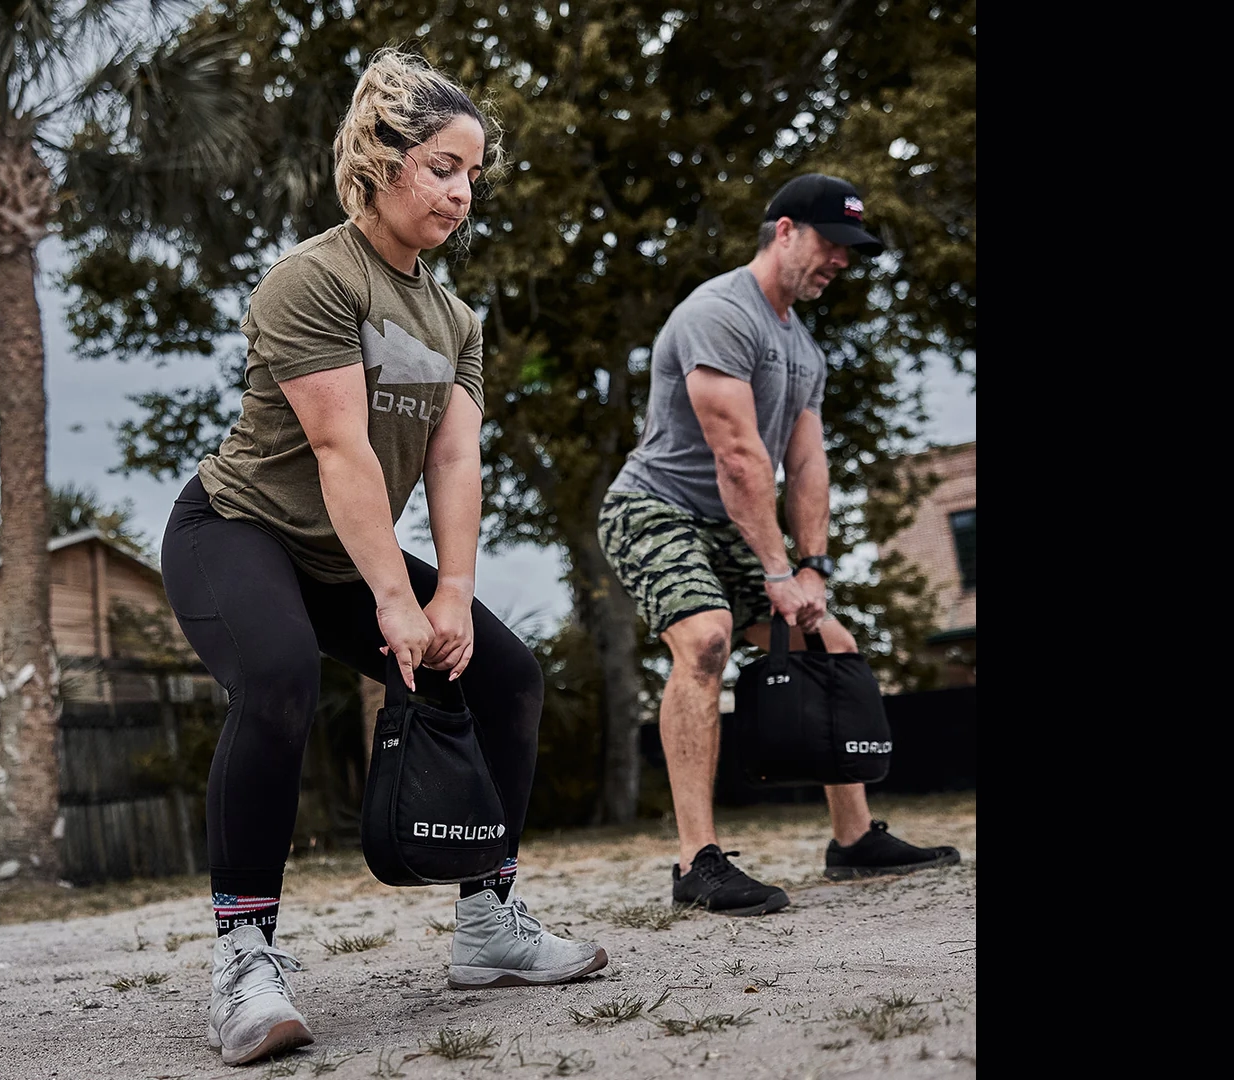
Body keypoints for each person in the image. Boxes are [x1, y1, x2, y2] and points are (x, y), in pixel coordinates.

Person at [160, 49, 608, 1066]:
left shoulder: (455, 320)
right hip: (239, 533)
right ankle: (244, 959)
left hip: (344, 554)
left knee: (506, 678)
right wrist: (391, 602)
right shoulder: (310, 279)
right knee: (275, 677)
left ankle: (490, 924)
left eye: (473, 176)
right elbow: (340, 451)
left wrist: (449, 593)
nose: (462, 192)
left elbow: (454, 457)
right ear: (384, 158)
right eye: (446, 167)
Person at [595, 173, 962, 917]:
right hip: (654, 508)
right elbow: (737, 457)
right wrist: (773, 570)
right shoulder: (720, 314)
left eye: (850, 252)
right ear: (785, 230)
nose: (841, 262)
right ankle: (696, 862)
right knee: (705, 638)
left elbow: (807, 464)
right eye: (832, 244)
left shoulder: (805, 350)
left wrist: (811, 568)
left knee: (831, 643)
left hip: (733, 523)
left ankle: (852, 841)